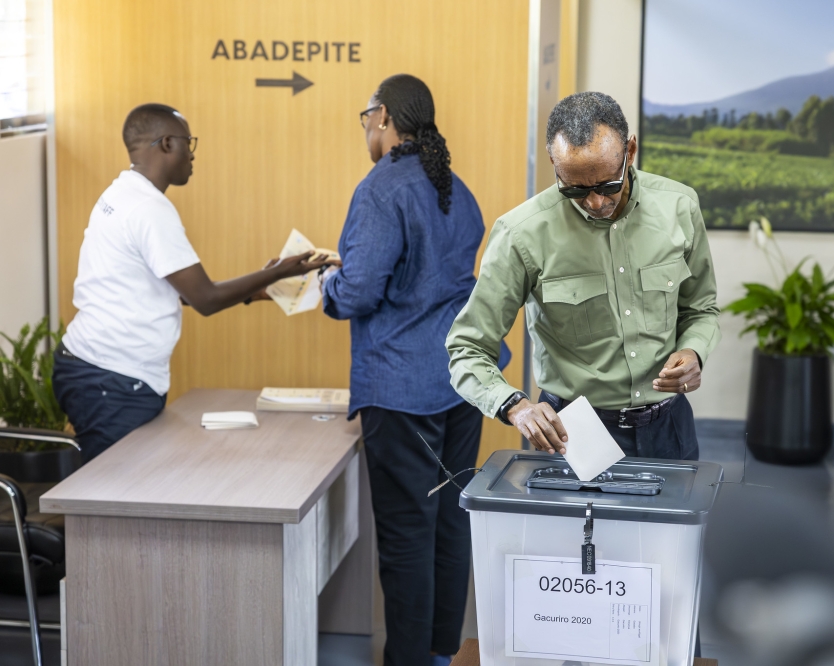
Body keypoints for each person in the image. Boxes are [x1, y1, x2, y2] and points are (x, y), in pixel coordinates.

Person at [446, 91, 721, 461]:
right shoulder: (521, 233)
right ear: (553, 163)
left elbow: (701, 309)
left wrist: (694, 352)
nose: (594, 202)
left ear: (631, 151)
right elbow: (467, 347)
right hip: (574, 435)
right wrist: (514, 405)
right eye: (575, 188)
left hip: (670, 428)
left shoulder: (680, 207)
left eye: (607, 185)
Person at [54, 103, 334, 463]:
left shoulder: (120, 193)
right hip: (112, 379)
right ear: (168, 143)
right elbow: (205, 299)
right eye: (190, 143)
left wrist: (256, 291)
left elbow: (169, 288)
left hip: (91, 367)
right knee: (118, 498)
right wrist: (280, 271)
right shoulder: (150, 210)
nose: (193, 155)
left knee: (126, 490)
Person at [319, 74, 485, 666]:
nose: (365, 125)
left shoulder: (380, 188)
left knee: (407, 536)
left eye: (366, 115)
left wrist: (327, 283)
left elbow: (359, 293)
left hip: (403, 389)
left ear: (383, 116)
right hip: (462, 384)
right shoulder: (454, 188)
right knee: (448, 523)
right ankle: (440, 654)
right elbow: (434, 276)